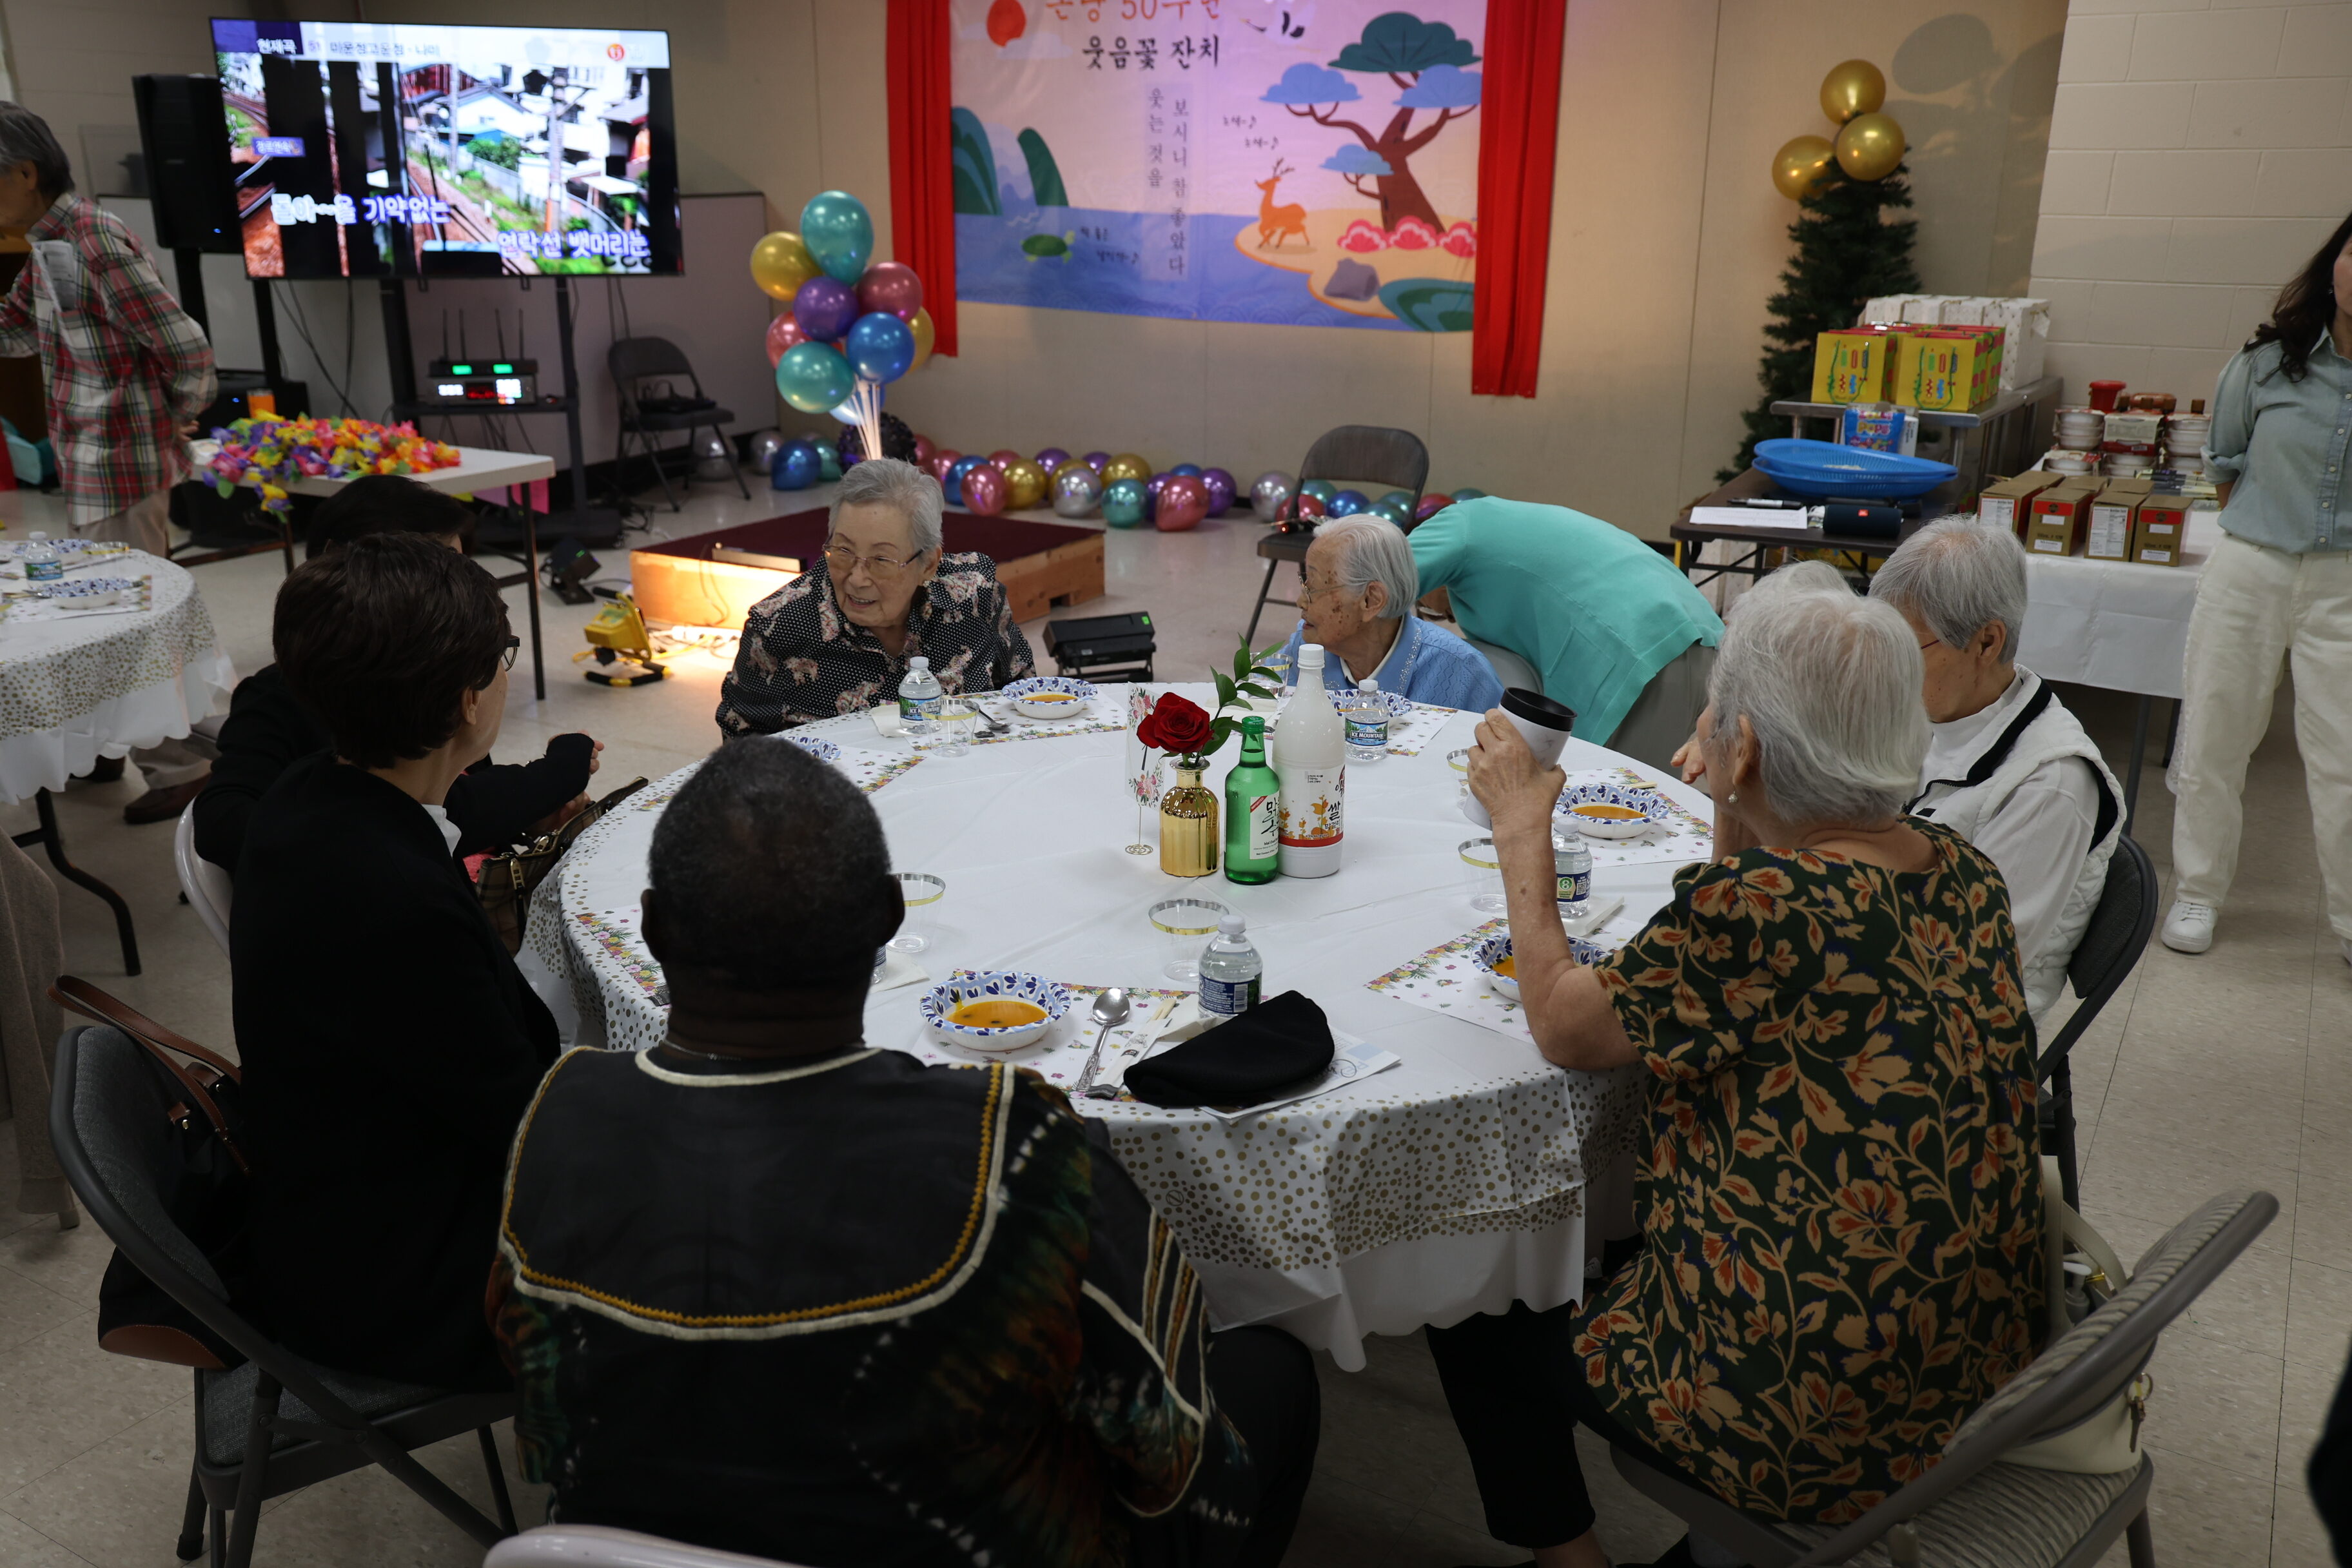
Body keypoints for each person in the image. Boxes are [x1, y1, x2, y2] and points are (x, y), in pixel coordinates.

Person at [488, 740, 1319, 1567]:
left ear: (652, 927)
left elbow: (541, 1410)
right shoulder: (1012, 1148)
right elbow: (1179, 1466)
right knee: (1273, 1374)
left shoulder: (559, 1114)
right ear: (889, 915)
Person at [1429, 563, 2044, 1568]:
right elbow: (1747, 955)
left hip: (1807, 1413)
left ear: (1744, 745)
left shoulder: (1758, 913)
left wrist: (1521, 825)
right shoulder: (1964, 873)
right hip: (1965, 1368)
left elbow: (1566, 1027)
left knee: (1474, 1296)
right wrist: (1733, 797)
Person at [233, 533, 559, 1391]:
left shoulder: (311, 792)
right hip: (404, 1282)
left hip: (340, 1197)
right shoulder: (387, 898)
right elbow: (523, 1124)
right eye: (503, 659)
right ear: (467, 700)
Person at [191, 475, 599, 872]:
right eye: (446, 576)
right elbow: (222, 823)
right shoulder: (291, 707)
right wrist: (548, 779)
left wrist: (522, 813)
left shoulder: (435, 675)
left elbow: (458, 798)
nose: (470, 592)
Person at [0, 103, 220, 821]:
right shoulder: (50, 240)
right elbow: (19, 330)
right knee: (96, 609)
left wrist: (177, 412)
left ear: (24, 173)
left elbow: (185, 346)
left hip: (122, 457)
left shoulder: (92, 236)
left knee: (129, 619)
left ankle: (182, 767)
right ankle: (109, 744)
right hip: (89, 457)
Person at [2164, 211, 2352, 966]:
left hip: (2345, 585)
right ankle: (2198, 891)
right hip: (2251, 567)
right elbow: (2224, 461)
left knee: (2344, 759)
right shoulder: (2269, 363)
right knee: (2215, 735)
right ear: (2333, 264)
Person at [1863, 516, 2122, 1026]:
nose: (1886, 669)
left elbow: (1972, 965)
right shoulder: (1937, 710)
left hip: (1956, 1030)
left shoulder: (2051, 784)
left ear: (1986, 643)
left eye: (1905, 649)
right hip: (1884, 963)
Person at [717, 456, 1035, 734]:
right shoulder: (779, 627)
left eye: (881, 560)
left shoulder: (973, 596)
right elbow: (742, 747)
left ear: (928, 564)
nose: (857, 579)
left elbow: (1022, 698)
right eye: (843, 551)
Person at [1407, 495, 1722, 770]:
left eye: (1426, 606)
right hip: (1701, 637)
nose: (1446, 615)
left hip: (1644, 653)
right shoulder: (1510, 532)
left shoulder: (1457, 523)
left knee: (1620, 802)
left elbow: (1382, 579)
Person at [1274, 515, 1504, 709]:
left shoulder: (1462, 673)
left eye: (1313, 588)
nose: (1300, 602)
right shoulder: (1306, 648)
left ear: (1371, 600)